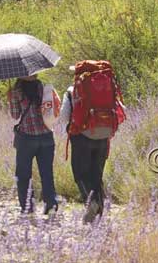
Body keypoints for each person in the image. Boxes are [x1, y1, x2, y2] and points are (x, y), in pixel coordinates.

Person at [60, 60, 126, 223]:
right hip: (104, 136)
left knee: (80, 174)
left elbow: (63, 117)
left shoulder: (72, 90)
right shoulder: (107, 86)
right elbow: (121, 110)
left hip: (81, 136)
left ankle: (92, 204)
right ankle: (100, 212)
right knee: (97, 175)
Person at [8, 74, 60, 215]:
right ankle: (51, 205)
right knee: (47, 173)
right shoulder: (43, 88)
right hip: (46, 136)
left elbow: (15, 115)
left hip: (26, 138)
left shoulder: (16, 91)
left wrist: (11, 99)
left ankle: (28, 208)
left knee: (23, 175)